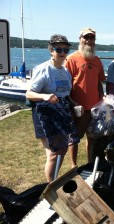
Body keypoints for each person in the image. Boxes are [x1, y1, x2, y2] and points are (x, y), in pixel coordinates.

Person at [26, 34, 80, 182]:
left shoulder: (65, 71)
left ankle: (54, 179)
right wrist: (45, 96)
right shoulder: (43, 69)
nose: (62, 53)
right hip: (45, 114)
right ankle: (51, 187)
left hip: (62, 113)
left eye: (65, 50)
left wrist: (73, 103)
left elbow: (65, 94)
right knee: (52, 153)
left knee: (62, 148)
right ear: (51, 50)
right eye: (58, 49)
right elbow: (29, 93)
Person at [65, 28, 106, 167]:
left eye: (92, 38)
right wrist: (72, 103)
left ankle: (90, 162)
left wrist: (102, 97)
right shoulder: (71, 59)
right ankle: (73, 165)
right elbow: (66, 86)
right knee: (74, 138)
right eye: (86, 37)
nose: (89, 40)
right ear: (80, 39)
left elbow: (99, 81)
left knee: (93, 137)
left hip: (94, 108)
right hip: (78, 107)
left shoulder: (97, 60)